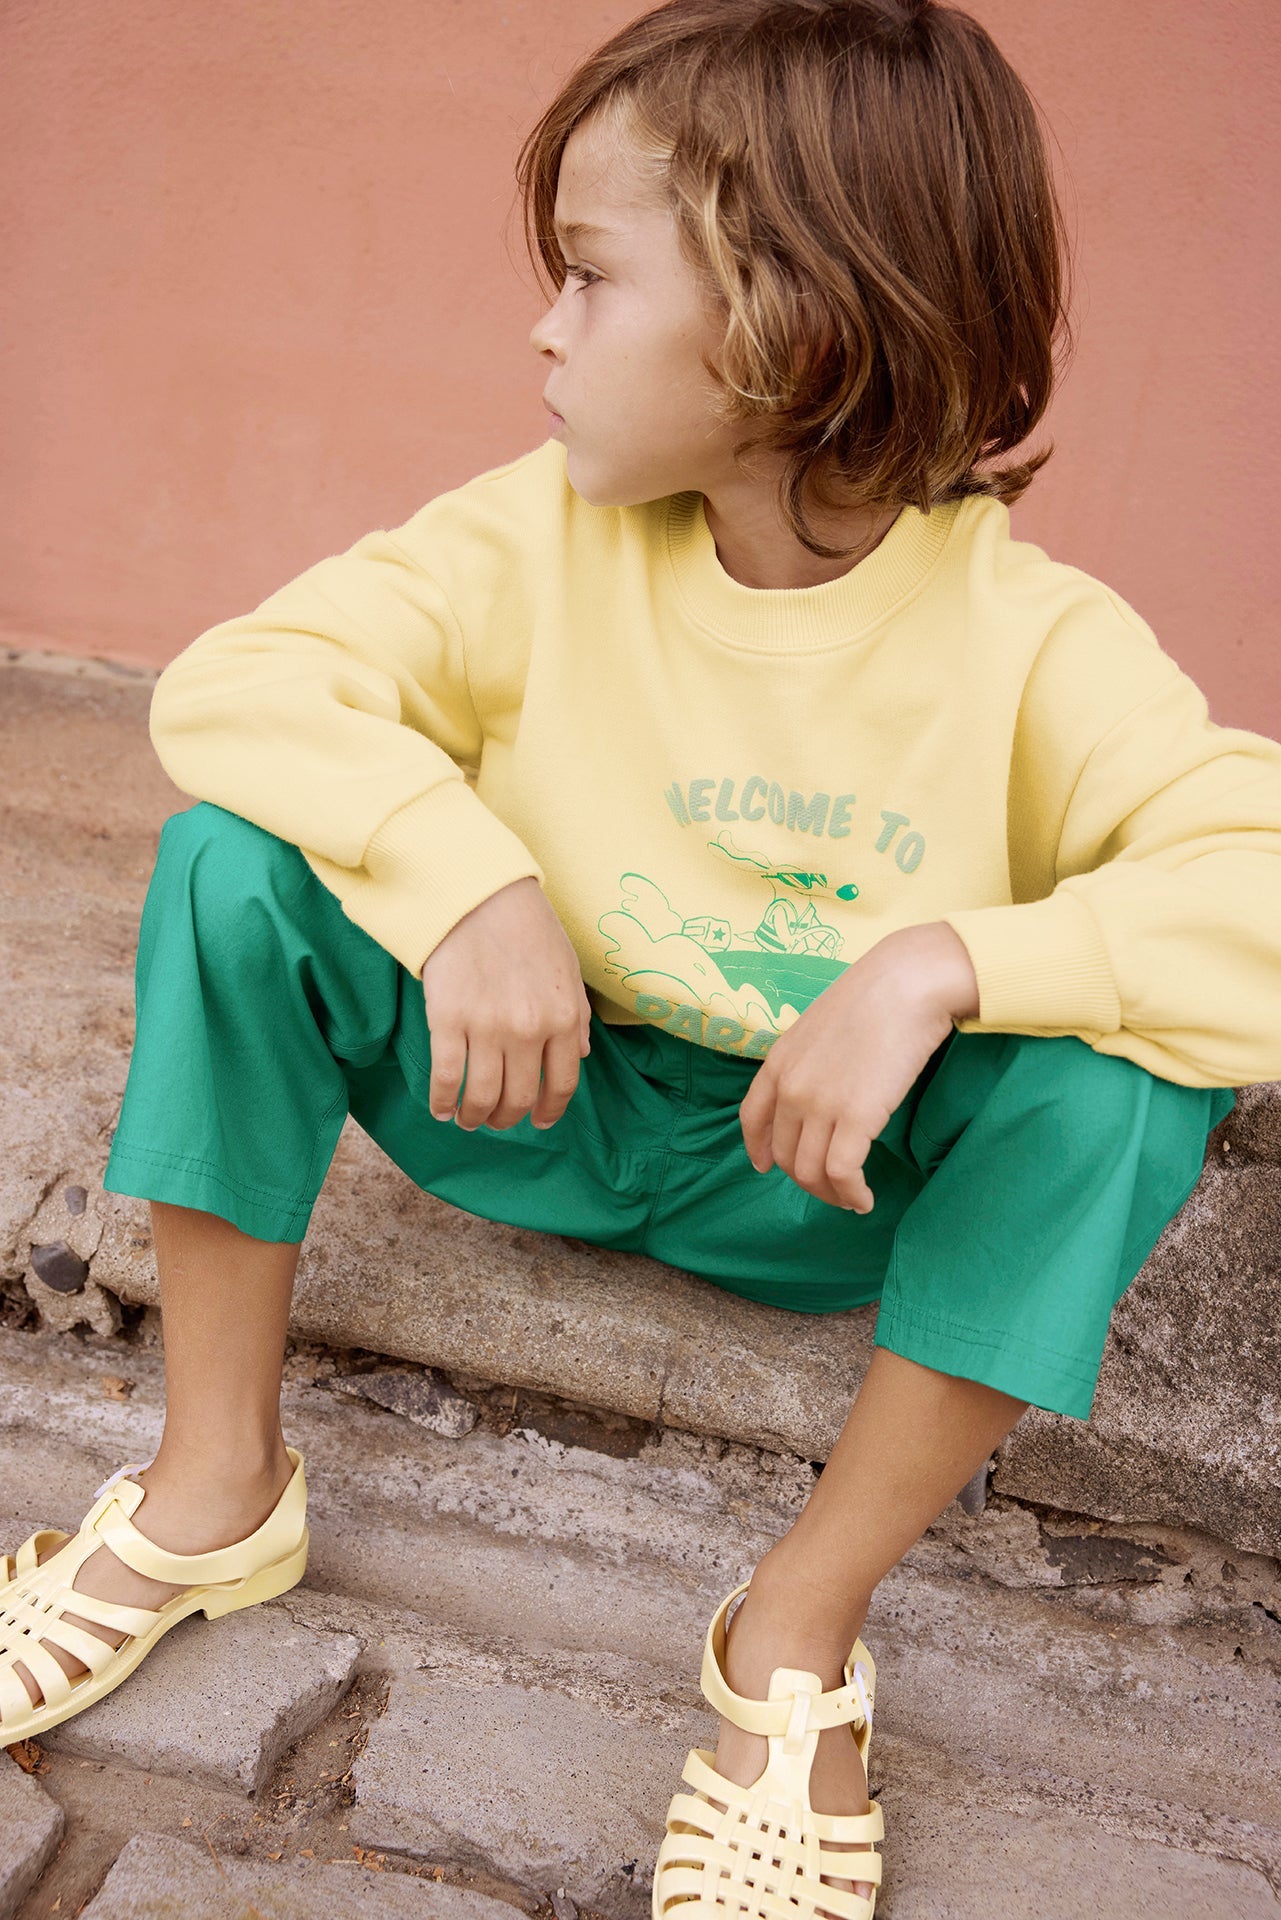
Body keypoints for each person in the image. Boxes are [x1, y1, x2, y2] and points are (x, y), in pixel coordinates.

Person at [3, 2, 1277, 1913]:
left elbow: (1249, 877)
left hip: (815, 1186)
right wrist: (462, 880)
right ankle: (211, 1492)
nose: (542, 329)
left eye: (589, 278)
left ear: (796, 317)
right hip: (517, 1100)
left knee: (1121, 1070)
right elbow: (245, 685)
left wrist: (941, 963)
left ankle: (794, 1630)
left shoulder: (1039, 645)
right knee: (229, 862)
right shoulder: (536, 541)